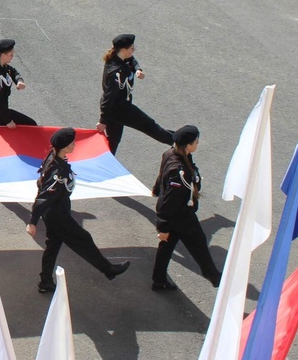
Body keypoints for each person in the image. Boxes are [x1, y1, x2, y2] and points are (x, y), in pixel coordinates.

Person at [26, 128, 131, 292]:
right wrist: (32, 221)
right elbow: (44, 197)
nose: (75, 144)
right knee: (84, 238)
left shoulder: (53, 159)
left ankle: (45, 281)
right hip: (57, 215)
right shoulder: (58, 172)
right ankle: (108, 269)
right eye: (72, 143)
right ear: (65, 147)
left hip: (56, 212)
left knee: (53, 245)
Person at [151, 125, 222, 291]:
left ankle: (159, 279)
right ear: (188, 145)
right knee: (199, 245)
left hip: (177, 214)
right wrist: (163, 226)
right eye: (196, 141)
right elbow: (169, 202)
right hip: (181, 216)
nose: (198, 143)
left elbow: (161, 175)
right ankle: (215, 277)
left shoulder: (171, 154)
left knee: (167, 247)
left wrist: (156, 189)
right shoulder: (179, 172)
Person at [97, 33, 174, 154]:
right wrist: (103, 121)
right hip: (120, 109)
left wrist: (138, 70)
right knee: (149, 125)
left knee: (112, 141)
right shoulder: (115, 72)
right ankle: (179, 142)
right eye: (131, 48)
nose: (134, 50)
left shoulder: (119, 58)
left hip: (117, 109)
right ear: (123, 50)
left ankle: (104, 165)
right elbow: (109, 97)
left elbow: (132, 60)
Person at [0, 38, 35, 127]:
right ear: (3, 56)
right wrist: (8, 120)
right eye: (11, 54)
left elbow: (12, 71)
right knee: (30, 125)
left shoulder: (1, 65)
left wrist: (19, 81)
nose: (13, 56)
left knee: (29, 124)